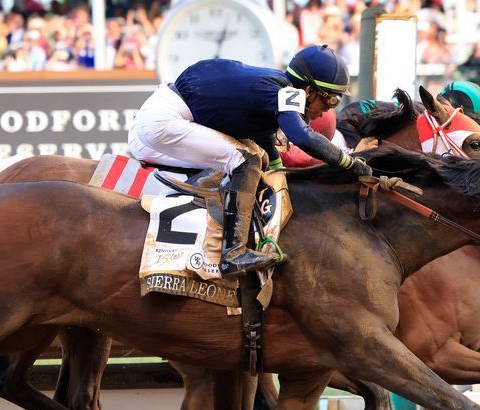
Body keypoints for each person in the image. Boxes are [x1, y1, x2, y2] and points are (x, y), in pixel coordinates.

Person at [128, 44, 372, 277]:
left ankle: (193, 227)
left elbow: (262, 137)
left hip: (153, 122)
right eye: (330, 100)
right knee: (247, 161)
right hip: (163, 122)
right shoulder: (286, 92)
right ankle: (233, 254)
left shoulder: (273, 86)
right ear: (309, 91)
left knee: (252, 157)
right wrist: (348, 162)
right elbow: (301, 136)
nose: (328, 111)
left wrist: (278, 169)